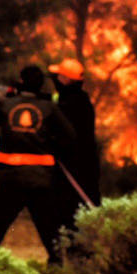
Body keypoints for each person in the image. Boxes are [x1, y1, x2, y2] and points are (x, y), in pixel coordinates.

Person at [0, 64, 76, 260]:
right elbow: (69, 136)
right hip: (40, 179)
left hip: (10, 178)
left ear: (21, 81)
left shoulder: (8, 105)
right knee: (48, 224)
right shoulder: (49, 108)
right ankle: (57, 264)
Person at [51, 58, 101, 206]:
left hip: (73, 164)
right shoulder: (77, 99)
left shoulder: (73, 103)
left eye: (59, 76)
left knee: (75, 204)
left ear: (66, 79)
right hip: (80, 162)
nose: (56, 79)